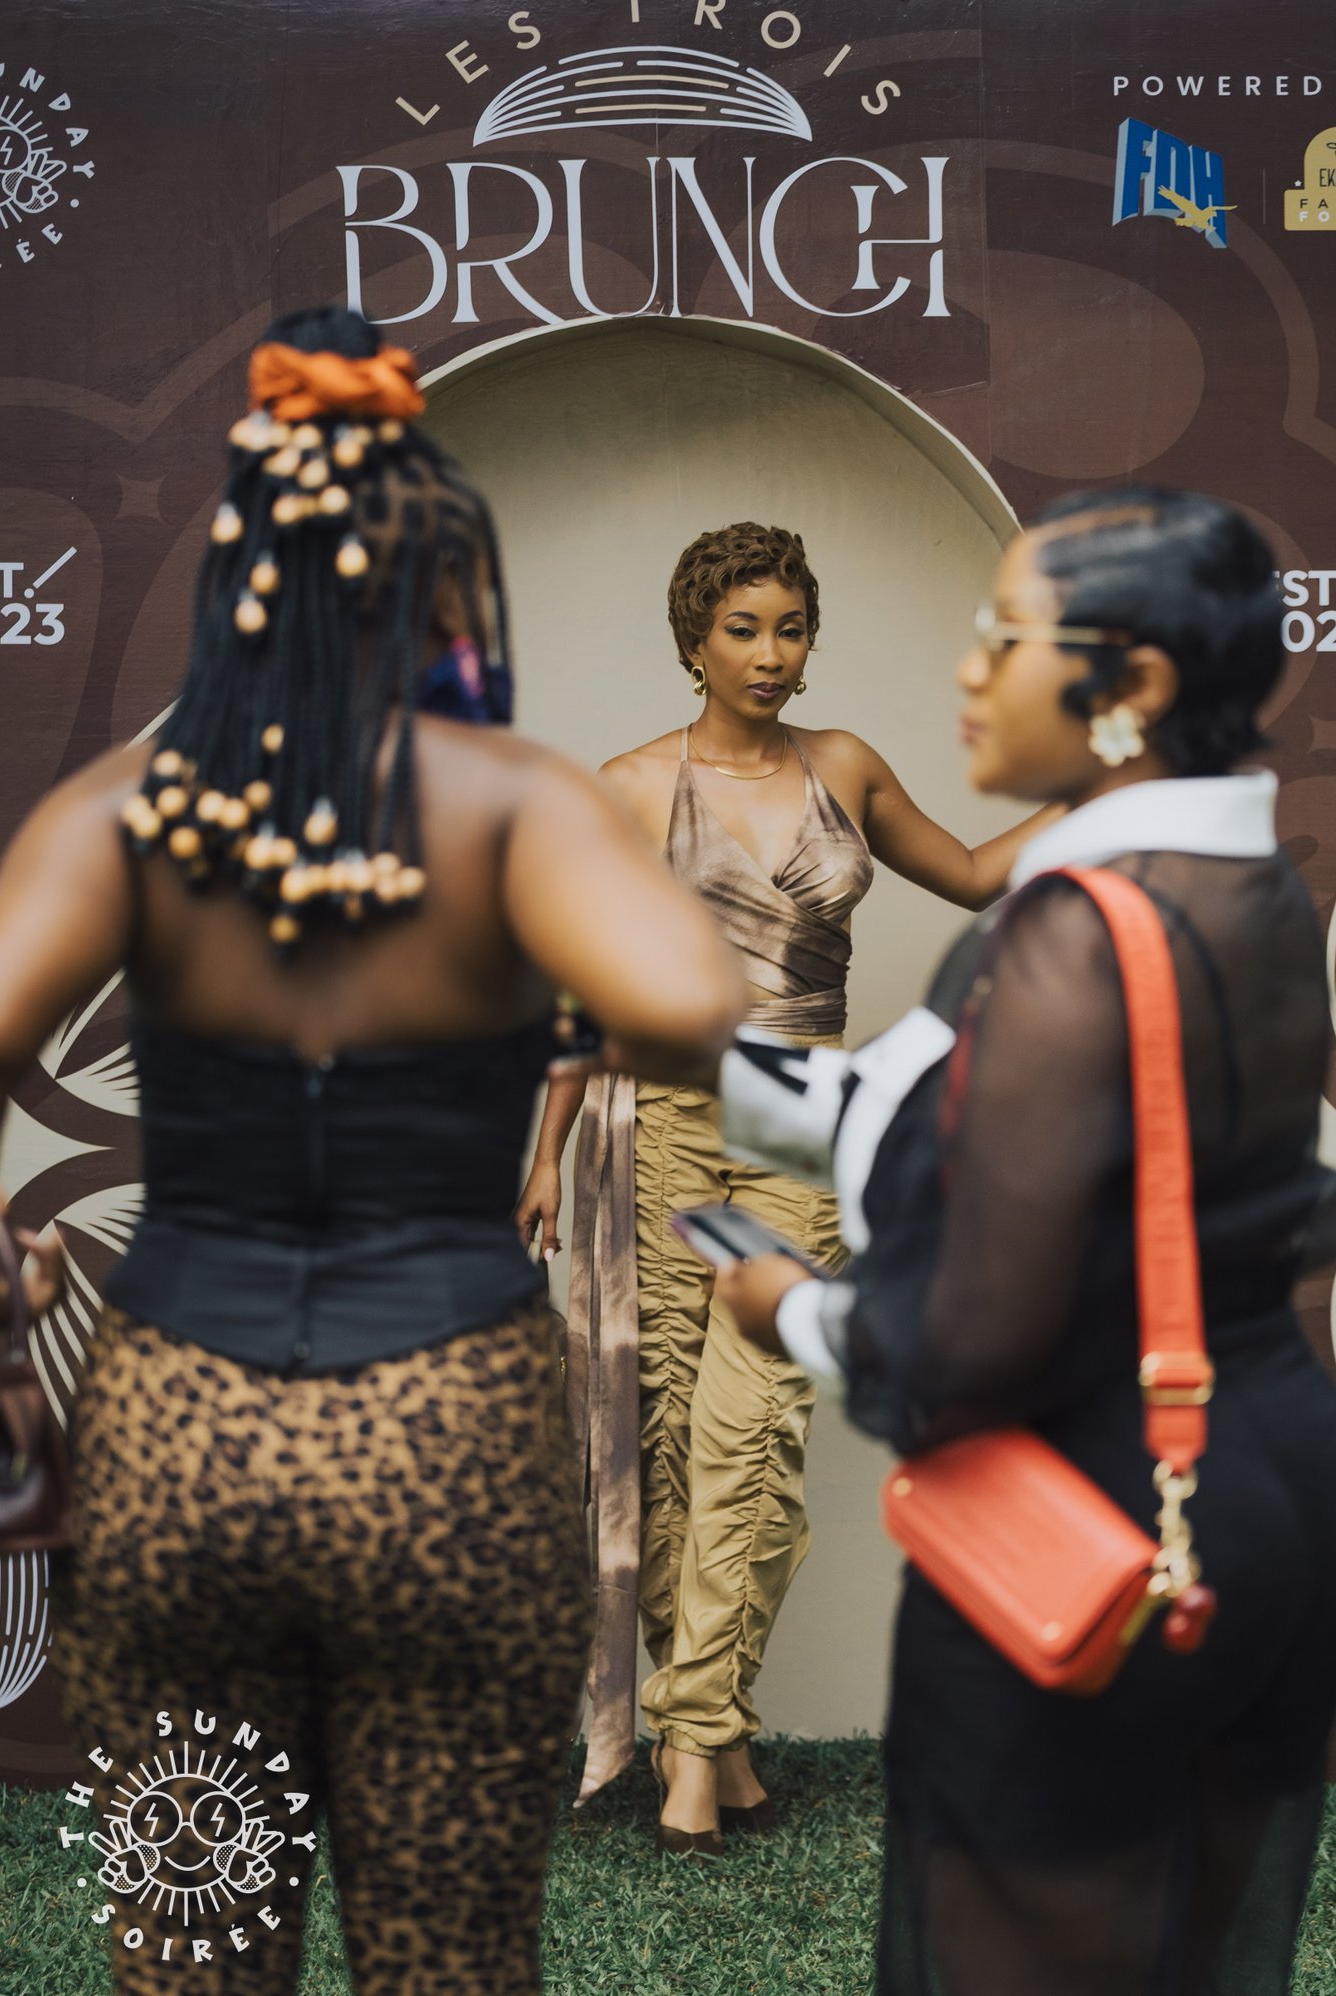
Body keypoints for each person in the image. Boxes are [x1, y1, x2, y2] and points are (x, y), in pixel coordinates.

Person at [0, 305, 744, 1995]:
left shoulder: (133, 808)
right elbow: (690, 1004)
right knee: (446, 1954)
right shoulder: (513, 804)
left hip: (181, 1433)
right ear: (450, 592)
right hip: (450, 1429)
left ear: (241, 584)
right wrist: (548, 998)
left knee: (192, 1942)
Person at [717, 488, 1336, 1992]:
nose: (969, 669)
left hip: (1106, 1527)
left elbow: (967, 1343)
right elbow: (1013, 1144)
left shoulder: (1071, 934)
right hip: (1286, 1489)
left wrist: (792, 1310)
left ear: (1132, 684)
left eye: (1004, 637)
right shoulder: (1252, 888)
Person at [515, 522, 1058, 1849]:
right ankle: (724, 1744)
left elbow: (973, 877)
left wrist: (1113, 794)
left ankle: (693, 1748)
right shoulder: (631, 786)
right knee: (661, 1443)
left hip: (798, 1133)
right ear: (695, 641)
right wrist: (543, 1155)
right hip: (658, 1125)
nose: (769, 653)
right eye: (742, 629)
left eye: (790, 628)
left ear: (812, 642)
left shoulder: (846, 766)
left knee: (753, 1430)